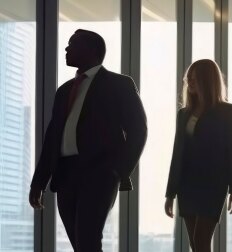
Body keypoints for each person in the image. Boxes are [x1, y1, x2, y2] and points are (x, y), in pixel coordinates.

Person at [29, 29, 147, 251]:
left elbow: (138, 129)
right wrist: (38, 182)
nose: (66, 48)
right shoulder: (63, 91)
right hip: (65, 175)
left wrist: (118, 171)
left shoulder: (119, 84)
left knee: (88, 240)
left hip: (99, 173)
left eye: (71, 44)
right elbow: (52, 138)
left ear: (90, 50)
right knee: (80, 244)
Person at [164, 59, 232, 252]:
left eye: (194, 77)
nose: (189, 81)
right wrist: (170, 193)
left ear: (207, 80)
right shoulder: (184, 113)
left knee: (201, 239)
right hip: (187, 185)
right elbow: (178, 154)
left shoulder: (227, 111)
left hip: (213, 184)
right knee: (195, 243)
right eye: (188, 77)